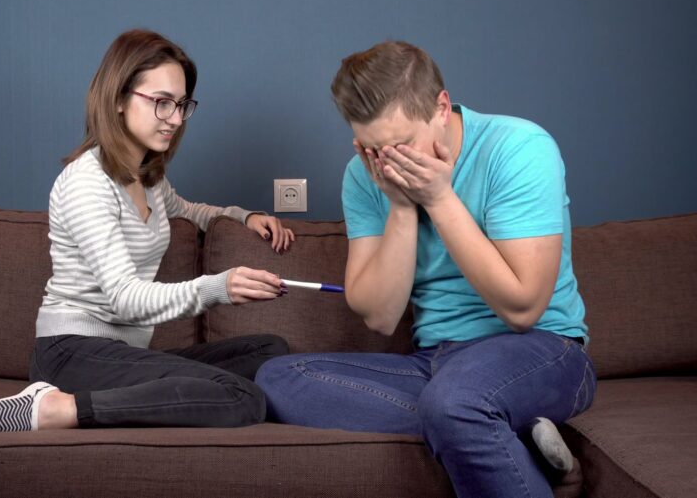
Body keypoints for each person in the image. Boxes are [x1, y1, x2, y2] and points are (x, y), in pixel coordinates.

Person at [255, 41, 596, 497]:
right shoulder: (363, 176)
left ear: (440, 107)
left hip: (542, 351)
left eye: (400, 145)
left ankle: (472, 419)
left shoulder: (517, 147)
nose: (389, 163)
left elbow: (523, 308)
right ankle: (497, 432)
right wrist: (399, 206)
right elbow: (379, 316)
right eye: (373, 149)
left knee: (456, 402)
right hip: (436, 362)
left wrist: (438, 198)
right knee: (278, 379)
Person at [0, 29, 293, 432]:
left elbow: (190, 210)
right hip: (71, 353)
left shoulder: (147, 179)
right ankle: (55, 408)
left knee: (270, 351)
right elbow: (126, 299)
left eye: (182, 105)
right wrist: (219, 287)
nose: (176, 119)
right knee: (241, 396)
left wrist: (244, 215)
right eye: (162, 103)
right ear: (117, 100)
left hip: (121, 352)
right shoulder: (86, 183)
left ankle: (172, 391)